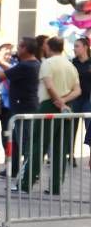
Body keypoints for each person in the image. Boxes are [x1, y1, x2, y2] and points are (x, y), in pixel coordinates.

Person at [19, 36, 80, 195]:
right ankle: (55, 187)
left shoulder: (48, 63)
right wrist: (65, 102)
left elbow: (49, 85)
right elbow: (78, 90)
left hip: (49, 105)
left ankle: (26, 184)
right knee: (61, 148)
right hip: (67, 108)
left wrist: (58, 102)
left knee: (38, 145)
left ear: (48, 48)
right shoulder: (70, 65)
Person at [0, 37, 40, 180]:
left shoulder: (25, 66)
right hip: (22, 108)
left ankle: (28, 175)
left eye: (18, 47)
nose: (15, 51)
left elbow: (1, 74)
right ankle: (18, 170)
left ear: (25, 49)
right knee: (16, 141)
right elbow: (11, 71)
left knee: (25, 143)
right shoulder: (31, 64)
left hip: (23, 110)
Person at [71, 37, 91, 138]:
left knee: (89, 128)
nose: (74, 49)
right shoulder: (72, 63)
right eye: (74, 46)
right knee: (71, 129)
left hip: (88, 100)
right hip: (75, 99)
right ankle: (70, 153)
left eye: (77, 46)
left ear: (85, 47)